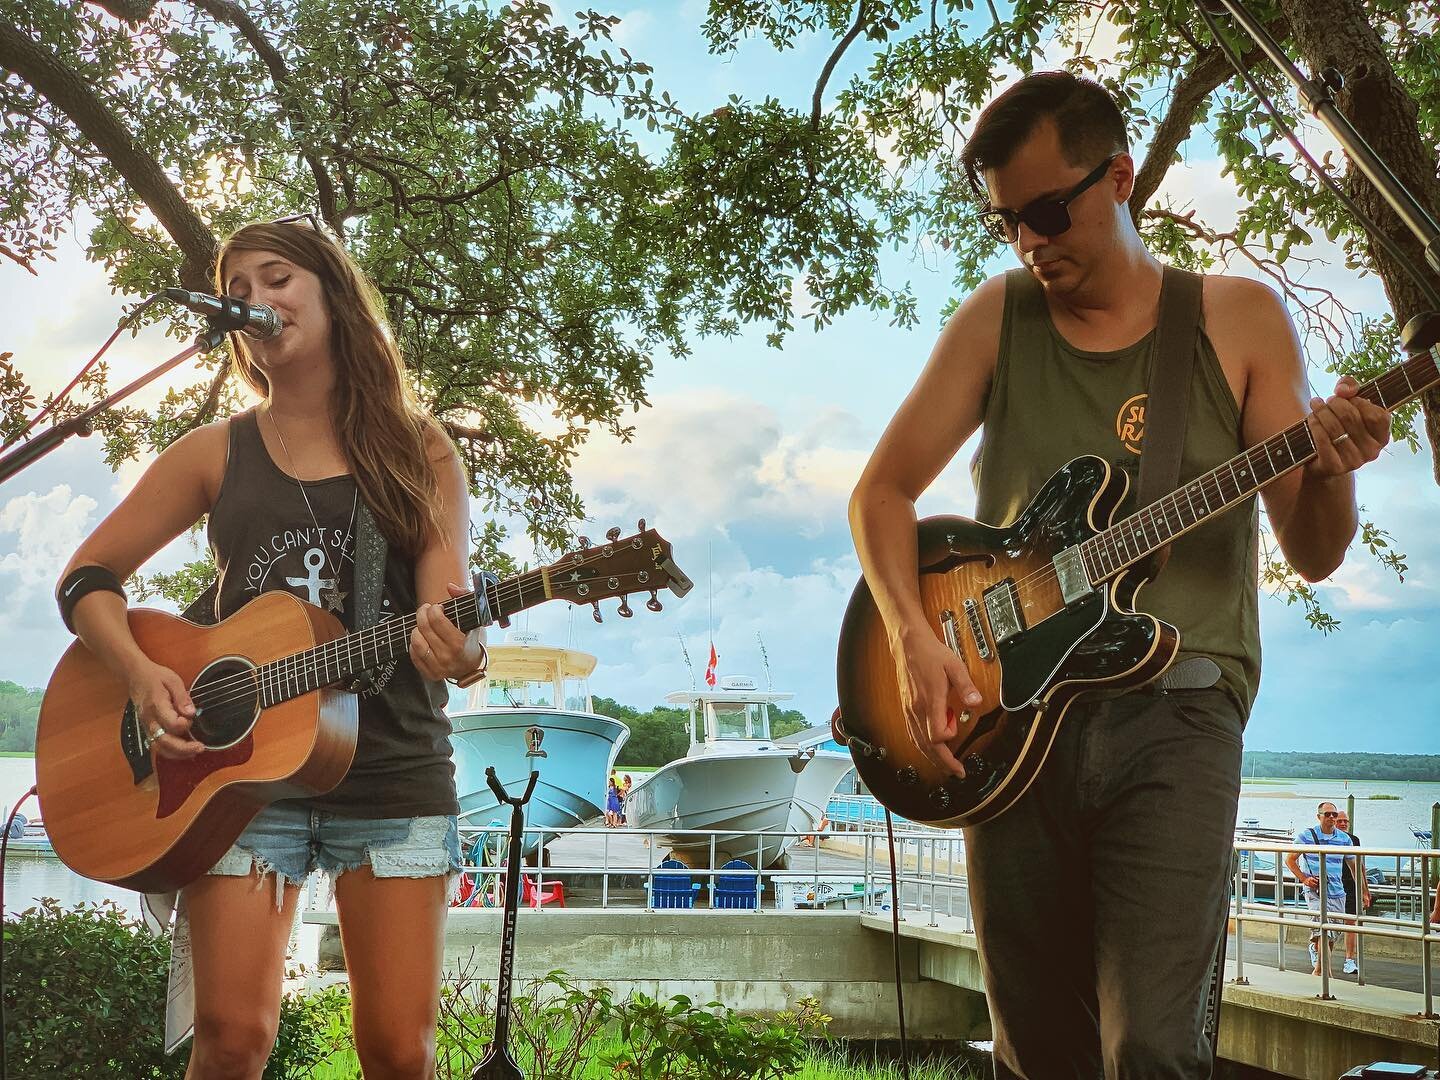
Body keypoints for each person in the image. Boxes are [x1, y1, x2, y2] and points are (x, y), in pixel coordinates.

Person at [848, 70, 1392, 1078]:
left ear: (1120, 179)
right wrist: (917, 638)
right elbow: (880, 494)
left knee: (1150, 1044)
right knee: (1037, 1048)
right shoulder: (996, 319)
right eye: (1006, 220)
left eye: (1048, 212)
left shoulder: (1238, 320)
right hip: (1009, 719)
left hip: (1179, 711)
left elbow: (1315, 551)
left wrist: (1336, 469)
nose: (1028, 241)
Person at [56, 217, 485, 1079]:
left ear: (332, 292)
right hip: (241, 781)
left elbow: (450, 601)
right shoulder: (216, 450)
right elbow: (86, 579)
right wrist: (143, 676)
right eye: (238, 289)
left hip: (394, 768)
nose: (255, 299)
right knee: (232, 1038)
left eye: (276, 277)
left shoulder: (419, 445)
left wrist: (460, 651)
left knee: (401, 1052)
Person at [1284, 802, 1357, 976]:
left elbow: (1355, 866)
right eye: (1327, 814)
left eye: (1334, 815)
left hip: (1337, 892)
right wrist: (1305, 879)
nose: (1331, 817)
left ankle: (1319, 968)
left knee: (1332, 934)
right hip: (1315, 892)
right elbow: (1290, 860)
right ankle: (1325, 973)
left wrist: (1363, 890)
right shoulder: (1307, 836)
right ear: (1319, 816)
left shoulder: (1345, 839)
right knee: (1324, 930)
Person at [1335, 809, 1371, 974]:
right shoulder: (1328, 839)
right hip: (1333, 885)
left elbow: (1360, 865)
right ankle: (1315, 947)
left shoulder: (1354, 840)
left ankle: (1349, 960)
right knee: (1328, 923)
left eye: (1345, 821)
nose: (1342, 824)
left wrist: (1365, 890)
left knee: (1351, 923)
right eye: (1339, 821)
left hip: (1351, 885)